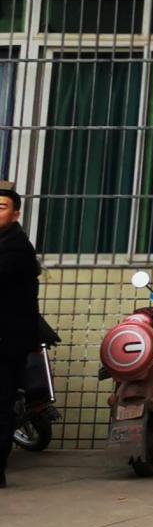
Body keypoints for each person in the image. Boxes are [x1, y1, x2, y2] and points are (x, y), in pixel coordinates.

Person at [0, 180, 41, 488]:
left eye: (1, 208)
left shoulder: (16, 249)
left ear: (15, 215)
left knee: (1, 403)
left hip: (6, 341)